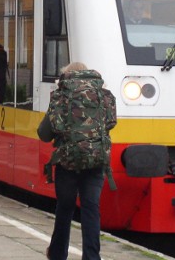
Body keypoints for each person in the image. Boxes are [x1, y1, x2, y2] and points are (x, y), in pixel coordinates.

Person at [38, 62, 117, 260]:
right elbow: (111, 123)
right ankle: (91, 257)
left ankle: (57, 254)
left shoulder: (62, 96)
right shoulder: (103, 95)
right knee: (91, 208)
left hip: (68, 162)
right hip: (96, 161)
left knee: (65, 208)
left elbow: (44, 134)